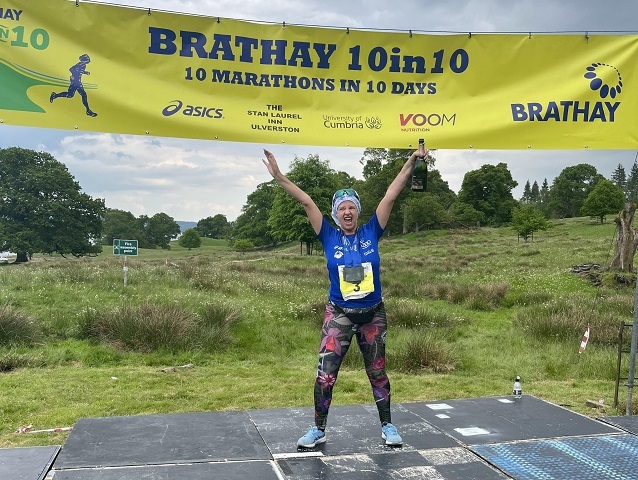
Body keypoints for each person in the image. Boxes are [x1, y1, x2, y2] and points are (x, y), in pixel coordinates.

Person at [262, 143, 427, 448]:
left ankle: (388, 426)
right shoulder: (328, 235)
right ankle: (318, 429)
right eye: (342, 208)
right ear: (336, 215)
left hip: (372, 314)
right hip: (339, 313)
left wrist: (411, 162)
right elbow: (306, 201)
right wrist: (280, 177)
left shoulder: (371, 230)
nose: (347, 212)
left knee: (377, 372)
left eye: (351, 206)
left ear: (357, 211)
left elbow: (391, 193)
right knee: (325, 374)